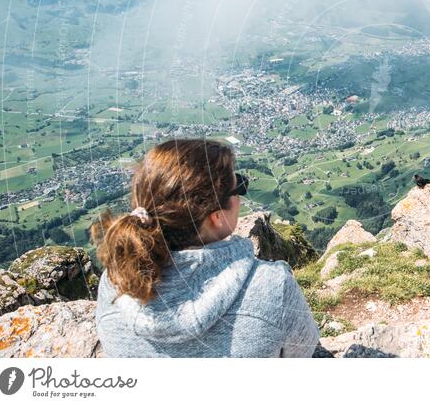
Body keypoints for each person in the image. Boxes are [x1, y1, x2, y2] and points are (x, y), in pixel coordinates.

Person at [91, 138, 319, 357]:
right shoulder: (272, 286)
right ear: (217, 217)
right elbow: (303, 350)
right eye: (239, 184)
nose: (242, 190)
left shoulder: (116, 284)